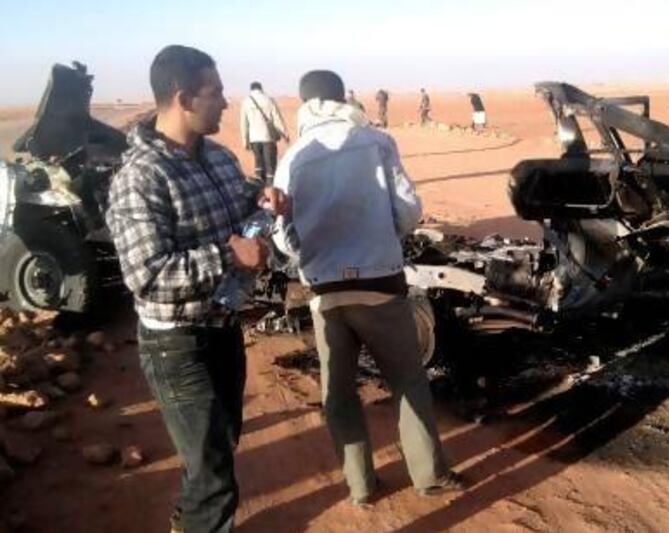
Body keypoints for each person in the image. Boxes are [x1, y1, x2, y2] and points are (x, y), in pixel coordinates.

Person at [105, 45, 288, 533]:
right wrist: (228, 255)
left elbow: (236, 198)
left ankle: (187, 521)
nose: (227, 103)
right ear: (184, 98)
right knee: (214, 475)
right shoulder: (141, 179)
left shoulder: (220, 157)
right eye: (217, 92)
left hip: (223, 325)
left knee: (219, 444)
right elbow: (146, 275)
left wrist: (261, 196)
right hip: (176, 343)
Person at [273, 70, 464, 505]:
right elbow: (410, 210)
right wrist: (382, 237)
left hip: (325, 293)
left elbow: (283, 238)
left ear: (302, 104)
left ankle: (361, 487)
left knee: (338, 394)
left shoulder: (294, 156)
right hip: (381, 283)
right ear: (343, 97)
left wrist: (314, 254)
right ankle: (430, 477)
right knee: (408, 382)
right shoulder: (376, 142)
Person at [240, 81, 289, 184]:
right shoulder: (268, 100)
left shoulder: (246, 102)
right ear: (261, 89)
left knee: (258, 164)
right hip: (268, 137)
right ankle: (271, 188)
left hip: (254, 138)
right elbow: (277, 118)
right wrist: (285, 133)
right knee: (270, 164)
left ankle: (260, 188)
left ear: (251, 89)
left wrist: (245, 141)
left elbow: (244, 123)